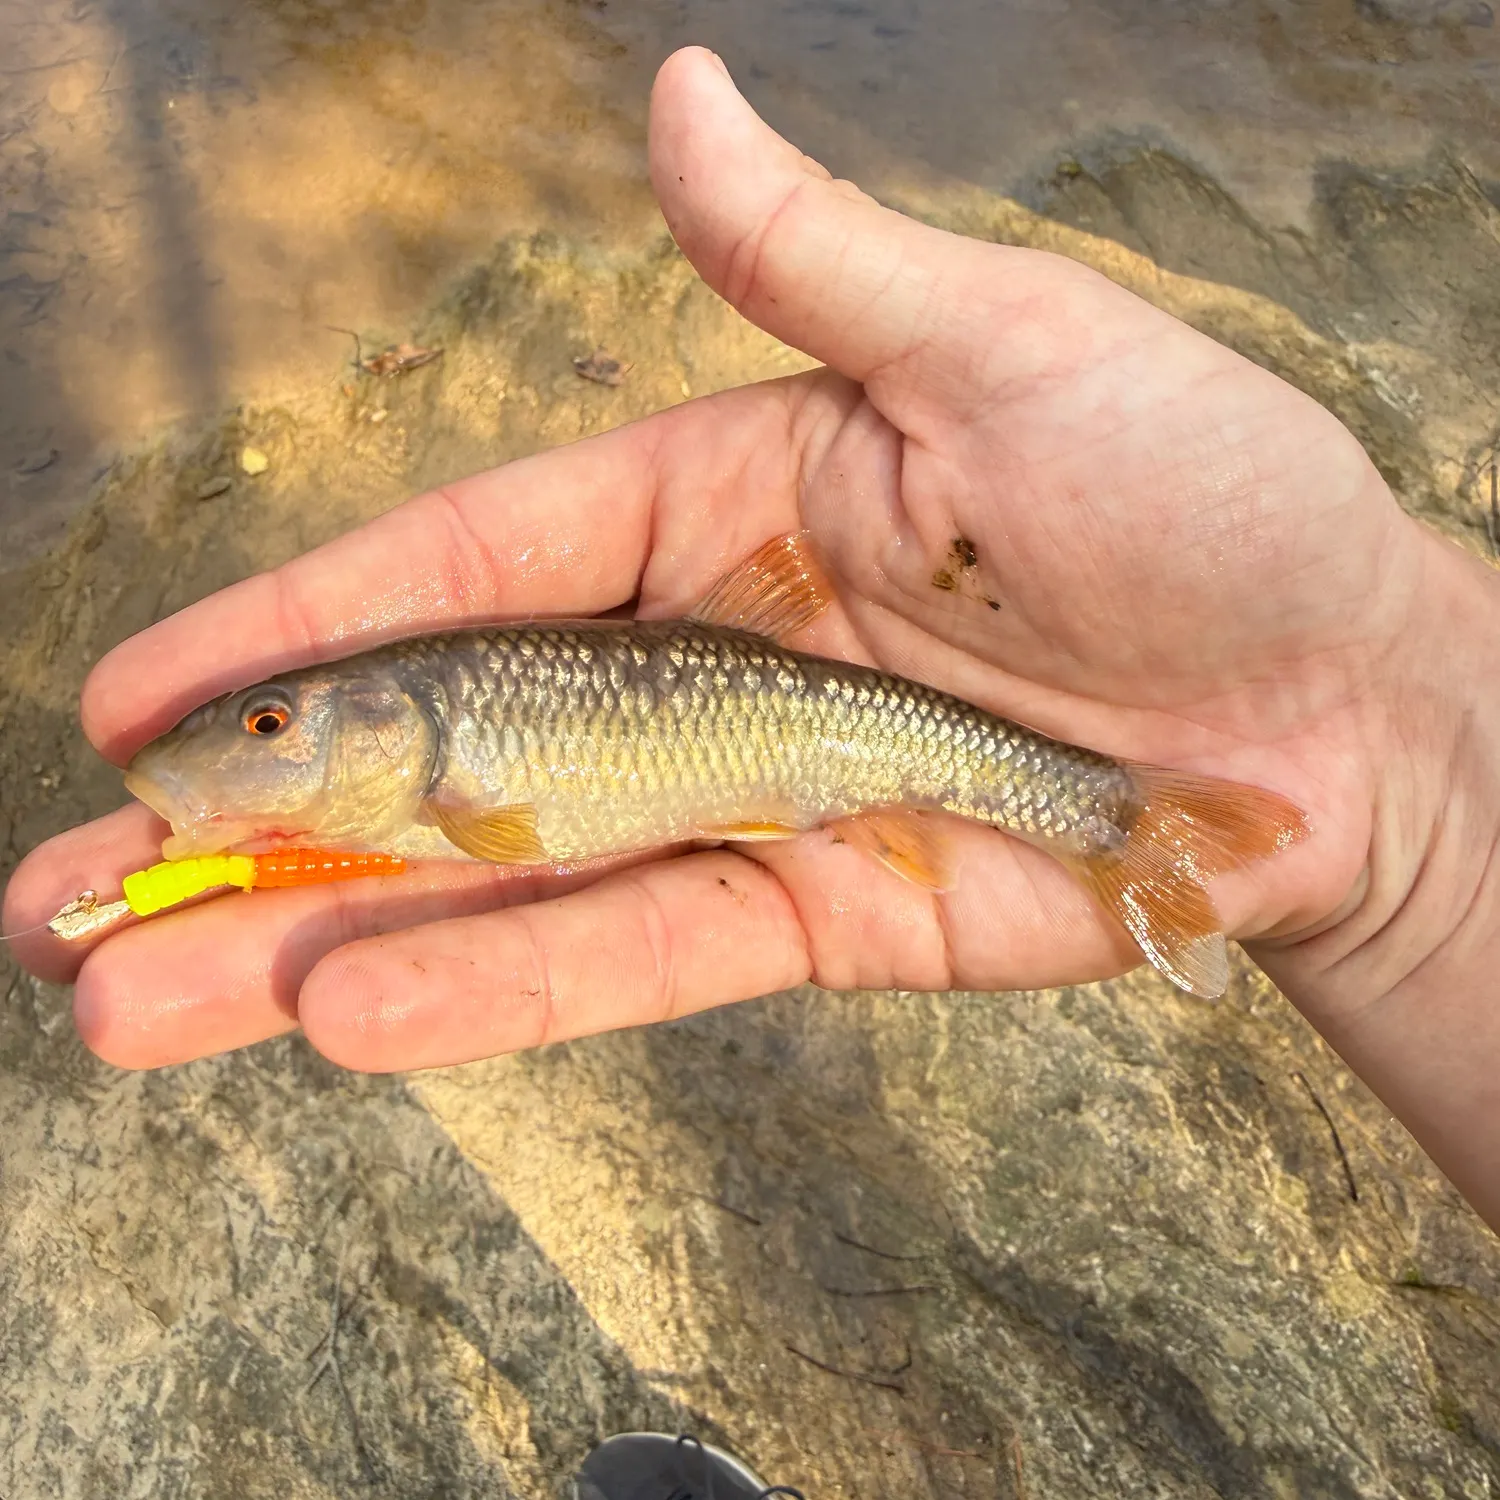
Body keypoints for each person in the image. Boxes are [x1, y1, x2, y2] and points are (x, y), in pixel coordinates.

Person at [4, 48, 1498, 1489]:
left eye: (276, 725)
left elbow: (504, 827)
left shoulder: (456, 785)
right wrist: (1408, 794)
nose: (261, 740)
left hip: (828, 735)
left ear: (390, 727)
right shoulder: (417, 771)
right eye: (272, 728)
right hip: (804, 735)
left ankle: (1109, 820)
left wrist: (1396, 742)